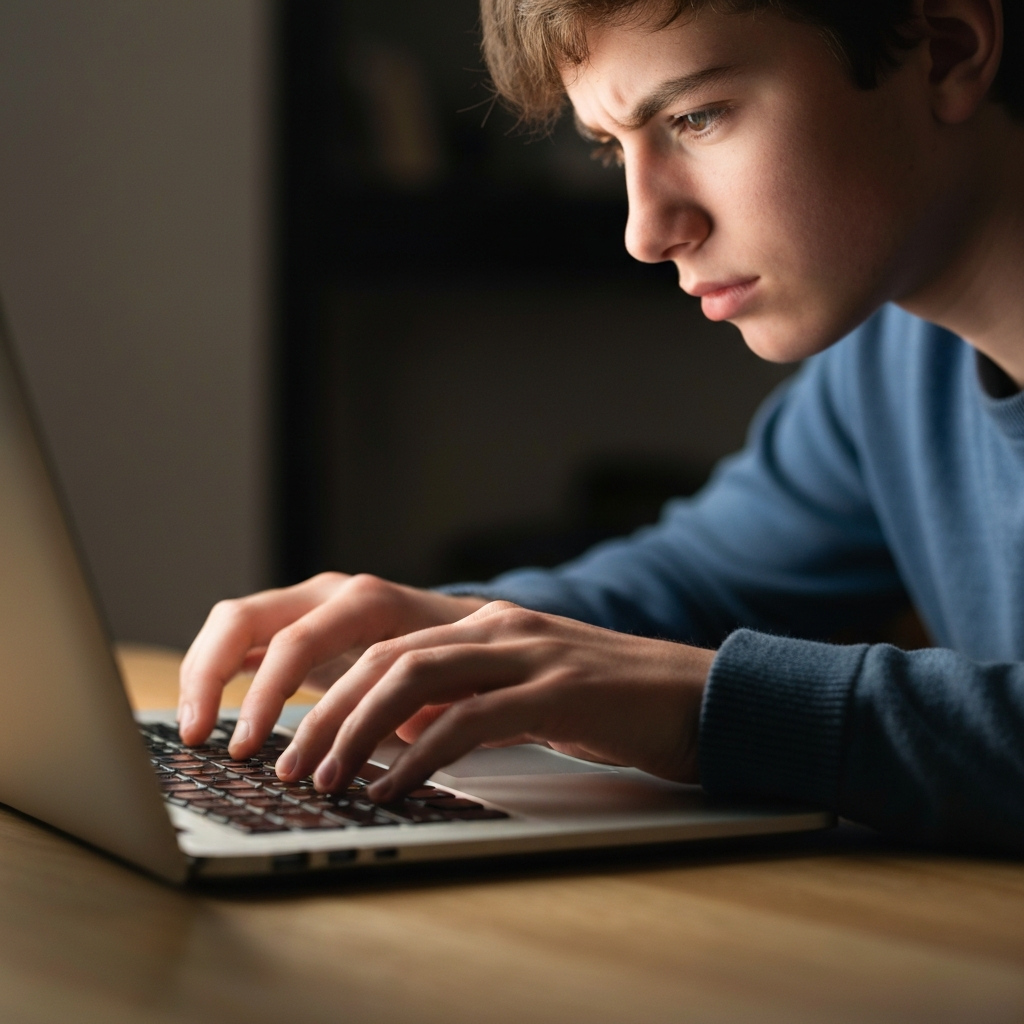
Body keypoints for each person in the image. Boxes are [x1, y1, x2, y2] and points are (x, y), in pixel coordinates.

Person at [178, 0, 1024, 851]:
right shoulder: (891, 360)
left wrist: (705, 712)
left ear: (946, 50)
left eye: (696, 117)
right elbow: (698, 582)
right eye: (611, 146)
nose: (646, 232)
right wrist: (454, 634)